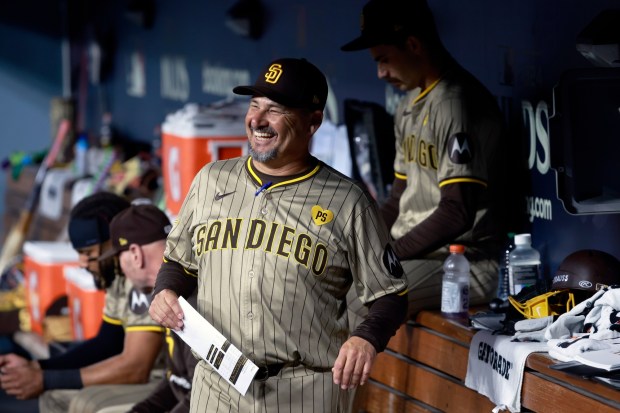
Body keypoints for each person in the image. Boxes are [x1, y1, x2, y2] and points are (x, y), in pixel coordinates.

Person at [148, 57, 409, 412]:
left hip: (304, 390)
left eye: (275, 109)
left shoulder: (348, 202)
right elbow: (179, 260)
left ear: (312, 121)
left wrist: (366, 339)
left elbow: (391, 294)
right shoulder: (210, 180)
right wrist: (165, 289)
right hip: (217, 383)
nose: (257, 119)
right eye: (254, 105)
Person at [341, 0, 507, 320]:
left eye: (384, 59)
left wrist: (385, 255)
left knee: (359, 299)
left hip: (465, 261)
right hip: (418, 256)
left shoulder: (455, 104)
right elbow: (396, 200)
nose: (380, 72)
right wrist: (358, 246)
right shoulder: (408, 107)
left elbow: (457, 212)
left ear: (413, 44)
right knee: (325, 280)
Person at [0, 192, 166, 413]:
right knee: (54, 397)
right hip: (144, 376)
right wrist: (36, 368)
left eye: (88, 252)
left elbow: (136, 367)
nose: (82, 263)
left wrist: (45, 379)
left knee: (85, 404)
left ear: (114, 241)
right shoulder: (117, 276)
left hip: (162, 379)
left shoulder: (142, 275)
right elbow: (108, 342)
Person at [94, 203, 197, 413]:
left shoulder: (188, 297)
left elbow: (203, 394)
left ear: (135, 255)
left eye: (118, 259)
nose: (121, 271)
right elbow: (176, 382)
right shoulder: (168, 293)